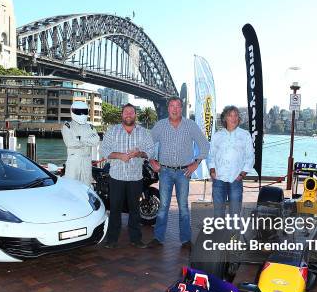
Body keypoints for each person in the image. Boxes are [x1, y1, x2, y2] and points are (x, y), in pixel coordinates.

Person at [147, 96, 210, 249]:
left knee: (183, 207)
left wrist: (196, 163)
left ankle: (186, 240)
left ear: (181, 108)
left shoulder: (190, 125)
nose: (175, 109)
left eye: (177, 106)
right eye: (172, 106)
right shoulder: (160, 125)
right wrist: (151, 160)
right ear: (168, 108)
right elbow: (147, 143)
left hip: (184, 172)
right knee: (163, 207)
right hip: (165, 171)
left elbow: (205, 145)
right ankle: (158, 238)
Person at [99, 103, 155, 249]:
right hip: (116, 176)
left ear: (135, 115)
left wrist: (140, 154)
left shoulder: (143, 132)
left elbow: (150, 151)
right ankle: (112, 240)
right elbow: (103, 150)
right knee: (115, 209)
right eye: (126, 112)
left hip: (135, 177)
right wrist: (119, 156)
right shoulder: (113, 131)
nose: (128, 114)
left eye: (131, 112)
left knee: (135, 209)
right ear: (122, 115)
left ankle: (136, 239)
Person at [208, 105, 254, 219]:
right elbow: (211, 155)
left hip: (235, 180)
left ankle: (234, 237)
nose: (233, 118)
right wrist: (212, 171)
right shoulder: (217, 136)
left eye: (236, 116)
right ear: (225, 118)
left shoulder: (245, 135)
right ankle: (219, 236)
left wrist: (242, 174)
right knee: (218, 213)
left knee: (235, 214)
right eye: (230, 115)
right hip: (218, 179)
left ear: (239, 119)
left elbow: (250, 157)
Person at [61, 101, 100, 186]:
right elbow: (70, 143)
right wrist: (88, 140)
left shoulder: (90, 126)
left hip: (86, 162)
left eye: (84, 111)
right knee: (71, 186)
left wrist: (79, 139)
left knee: (86, 186)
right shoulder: (67, 126)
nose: (82, 114)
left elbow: (96, 140)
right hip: (74, 162)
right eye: (79, 112)